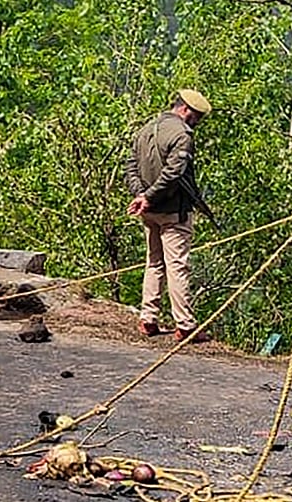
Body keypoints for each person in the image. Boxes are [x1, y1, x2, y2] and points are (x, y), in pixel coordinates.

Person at [124, 89, 212, 343]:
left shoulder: (145, 129)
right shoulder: (182, 135)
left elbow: (130, 165)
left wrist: (140, 195)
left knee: (153, 263)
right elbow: (174, 173)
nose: (197, 122)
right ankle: (185, 325)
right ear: (185, 110)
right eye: (197, 117)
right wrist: (148, 197)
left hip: (148, 211)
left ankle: (148, 318)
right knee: (177, 266)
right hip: (173, 211)